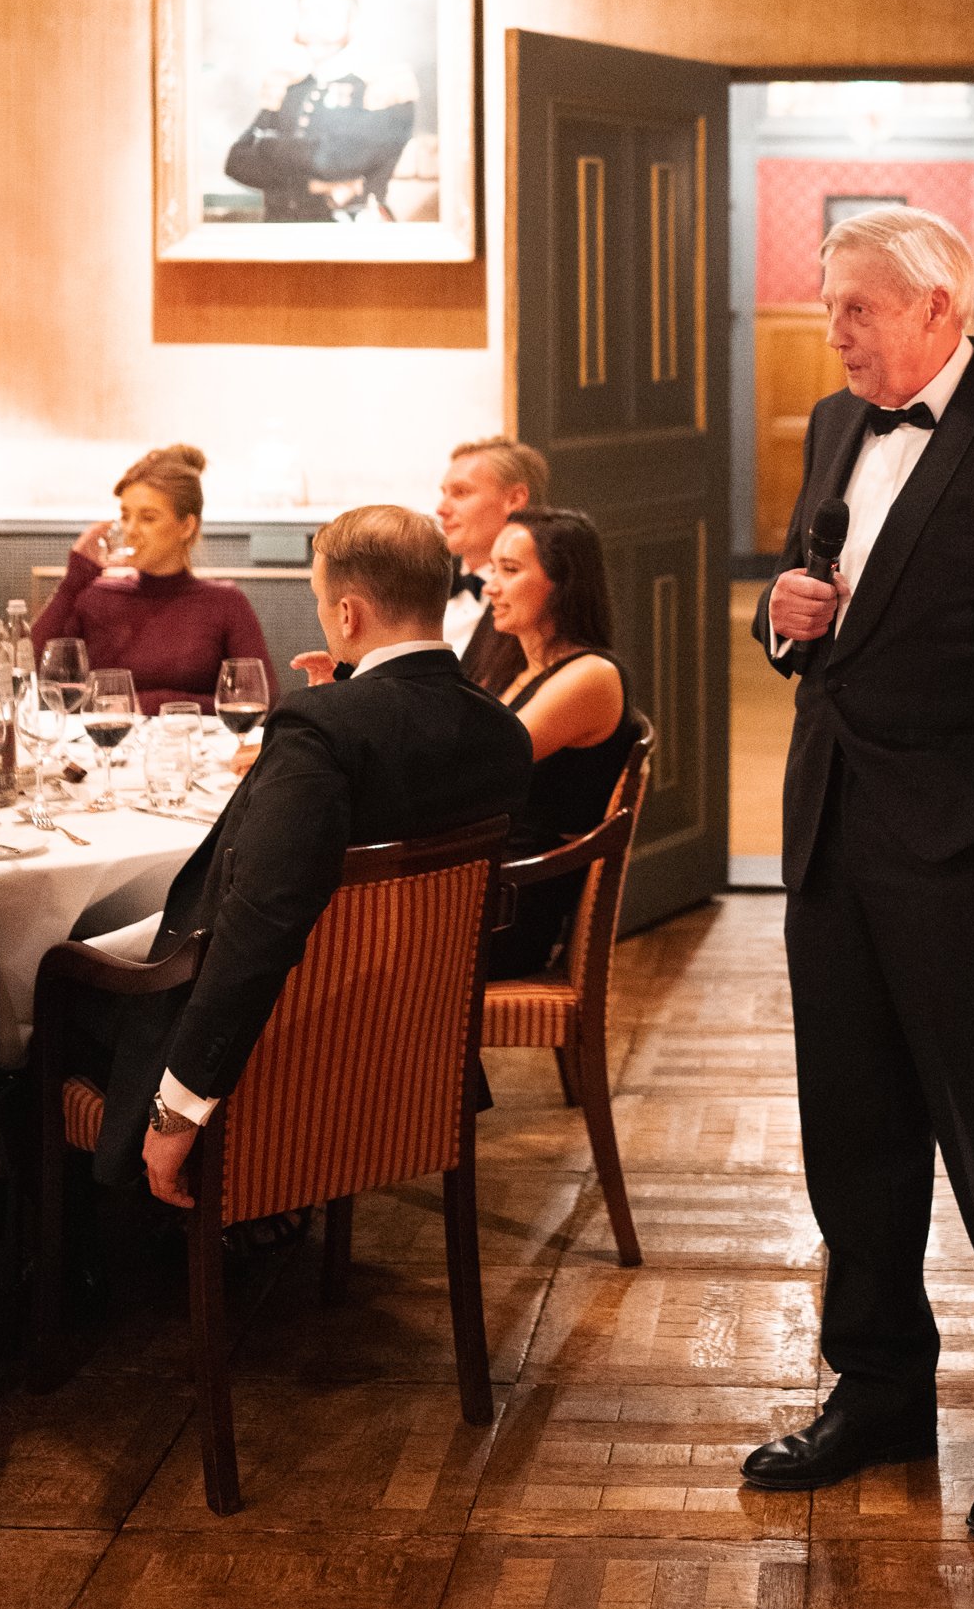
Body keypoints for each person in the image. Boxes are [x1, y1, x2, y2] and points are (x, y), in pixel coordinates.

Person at [740, 207, 974, 1539]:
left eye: (855, 307)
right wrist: (780, 620)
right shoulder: (834, 423)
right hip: (829, 823)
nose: (832, 331)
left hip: (959, 840)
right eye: (828, 305)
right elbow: (813, 602)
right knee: (849, 1123)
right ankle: (879, 1386)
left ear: (936, 310)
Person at [72, 505, 533, 1200]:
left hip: (274, 1057)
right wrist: (339, 708)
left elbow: (261, 926)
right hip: (407, 1050)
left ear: (348, 613)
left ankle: (87, 1245)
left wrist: (179, 1109)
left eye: (320, 602)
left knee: (53, 988)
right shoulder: (503, 733)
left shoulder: (321, 730)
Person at [483, 507, 638, 980]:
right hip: (491, 885)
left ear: (562, 583)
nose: (490, 586)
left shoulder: (591, 676)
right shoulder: (516, 663)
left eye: (509, 570)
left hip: (515, 908)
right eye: (492, 569)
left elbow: (481, 767)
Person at [33, 444, 276, 713]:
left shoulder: (224, 602)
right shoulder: (96, 597)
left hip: (191, 740)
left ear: (186, 526)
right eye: (125, 516)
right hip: (107, 740)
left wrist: (151, 704)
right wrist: (72, 583)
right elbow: (31, 674)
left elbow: (261, 700)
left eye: (148, 518)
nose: (130, 530)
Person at [223, 0, 418, 226]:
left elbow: (335, 161)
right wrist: (314, 184)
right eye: (306, 12)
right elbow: (237, 162)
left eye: (325, 12)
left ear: (352, 20)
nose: (313, 22)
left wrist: (265, 146)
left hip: (351, 235)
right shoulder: (289, 88)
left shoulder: (384, 87)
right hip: (279, 233)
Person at [437, 437, 551, 696]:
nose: (441, 509)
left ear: (515, 499)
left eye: (461, 493)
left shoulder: (540, 602)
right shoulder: (425, 581)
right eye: (444, 493)